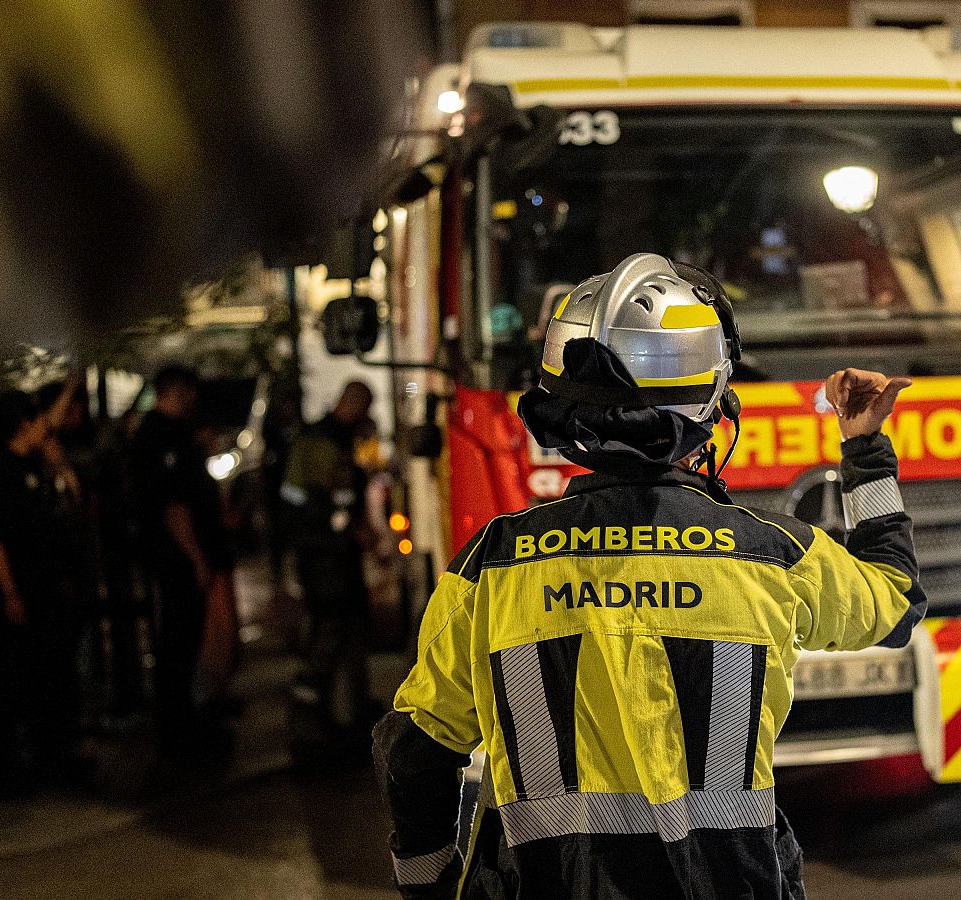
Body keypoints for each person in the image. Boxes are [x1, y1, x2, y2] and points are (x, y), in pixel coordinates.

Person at [373, 253, 925, 899]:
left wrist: (429, 886)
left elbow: (415, 754)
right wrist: (863, 449)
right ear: (713, 404)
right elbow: (896, 602)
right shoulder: (771, 554)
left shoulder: (495, 563)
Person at [0, 389, 88, 790]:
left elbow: (65, 511)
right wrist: (10, 592)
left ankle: (53, 756)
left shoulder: (34, 467)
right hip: (19, 591)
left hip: (45, 587)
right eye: (36, 422)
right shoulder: (0, 470)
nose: (44, 429)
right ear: (21, 424)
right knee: (10, 682)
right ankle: (6, 770)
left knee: (49, 676)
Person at [129, 366, 234, 751]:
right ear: (180, 391)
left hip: (181, 556)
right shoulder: (159, 435)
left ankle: (183, 720)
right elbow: (173, 506)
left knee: (185, 641)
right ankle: (176, 729)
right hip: (176, 559)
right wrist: (195, 558)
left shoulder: (172, 433)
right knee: (178, 642)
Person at [282, 380, 378, 752]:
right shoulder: (324, 442)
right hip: (324, 556)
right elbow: (327, 502)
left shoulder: (328, 437)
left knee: (349, 628)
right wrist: (353, 530)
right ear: (352, 404)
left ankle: (350, 715)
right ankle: (309, 721)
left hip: (330, 552)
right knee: (330, 633)